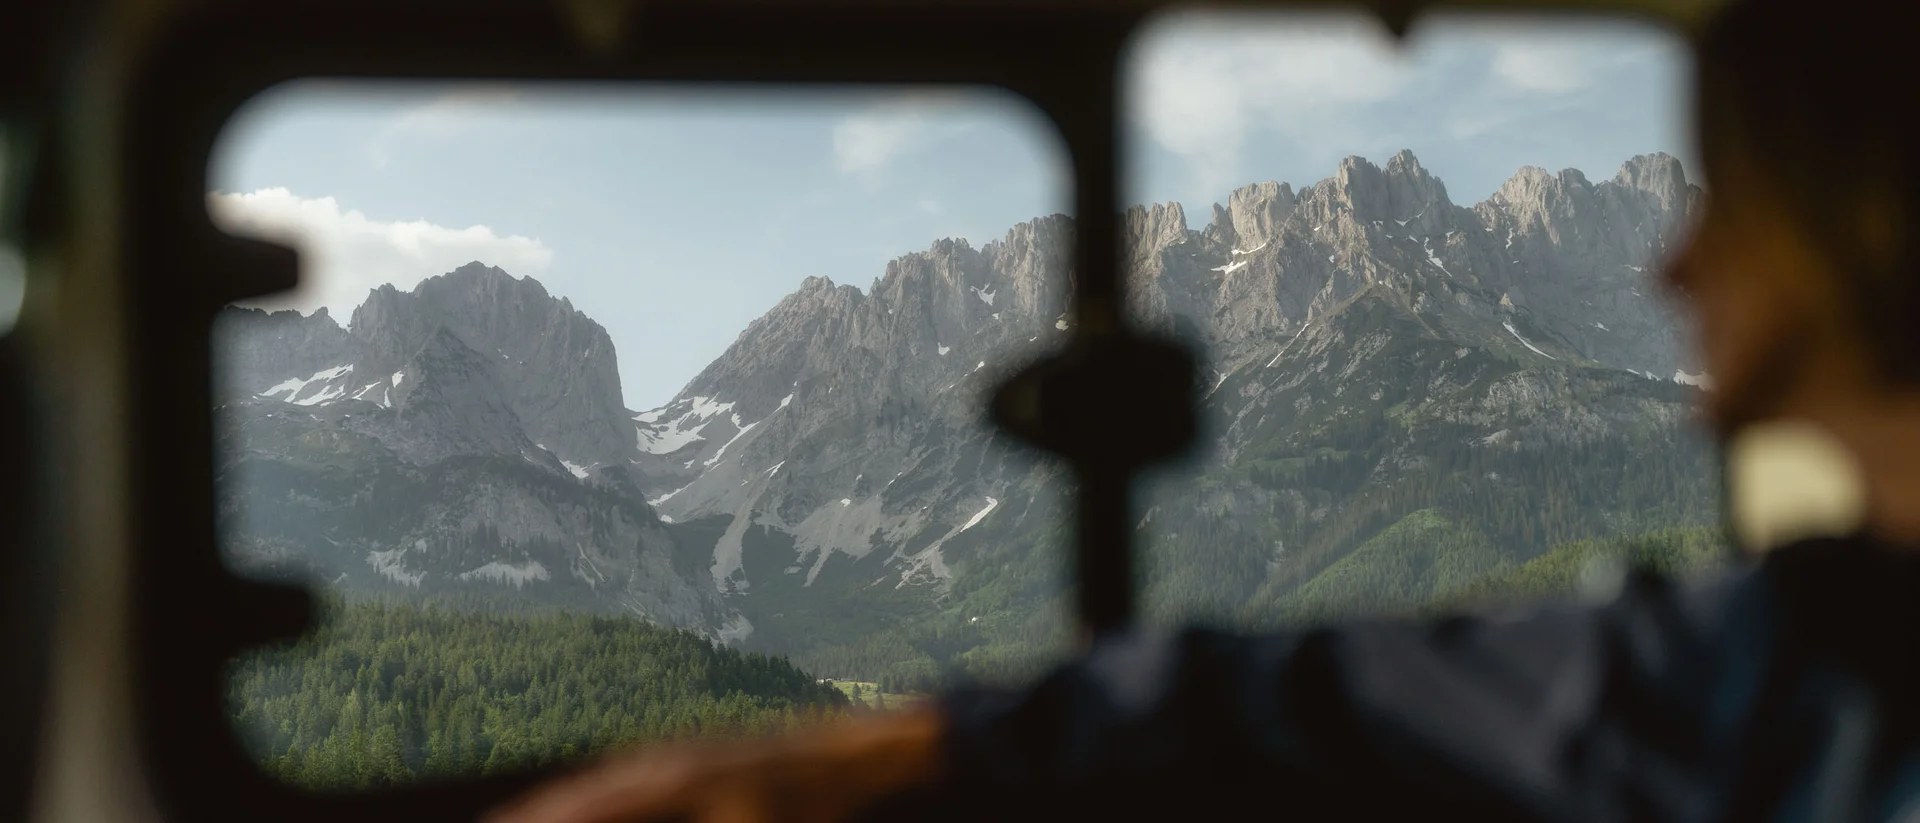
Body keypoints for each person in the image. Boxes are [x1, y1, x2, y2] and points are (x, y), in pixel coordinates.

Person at [488, 0, 1920, 820]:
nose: (1673, 252)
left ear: (1862, 212)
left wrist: (862, 759)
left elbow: (1372, 696)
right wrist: (887, 749)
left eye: (1736, 194)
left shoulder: (1818, 671)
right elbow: (1380, 690)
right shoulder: (1821, 639)